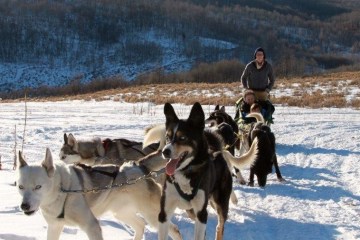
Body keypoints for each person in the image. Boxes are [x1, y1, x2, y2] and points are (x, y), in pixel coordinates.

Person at [240, 47, 275, 123]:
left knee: (267, 108)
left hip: (263, 92)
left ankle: (263, 121)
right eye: (257, 54)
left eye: (261, 54)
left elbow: (272, 80)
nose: (259, 56)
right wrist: (246, 89)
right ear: (255, 56)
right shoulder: (250, 66)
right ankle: (247, 121)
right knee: (245, 106)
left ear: (263, 56)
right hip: (252, 91)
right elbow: (243, 78)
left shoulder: (268, 66)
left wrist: (268, 89)